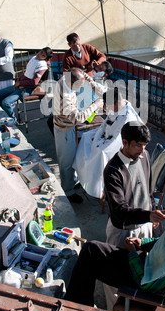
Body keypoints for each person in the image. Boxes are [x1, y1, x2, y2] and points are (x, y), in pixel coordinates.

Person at [64, 202, 165, 307]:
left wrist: (132, 254)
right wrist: (142, 242)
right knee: (91, 250)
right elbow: (161, 242)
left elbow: (145, 282)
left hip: (142, 283)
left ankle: (77, 305)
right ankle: (79, 302)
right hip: (144, 264)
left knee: (90, 258)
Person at [72, 89, 143, 200]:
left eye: (108, 106)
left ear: (115, 103)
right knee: (86, 137)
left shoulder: (128, 117)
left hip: (124, 145)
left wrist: (99, 143)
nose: (107, 109)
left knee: (101, 152)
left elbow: (119, 140)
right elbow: (105, 124)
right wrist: (97, 138)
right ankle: (82, 176)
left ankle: (96, 185)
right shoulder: (118, 105)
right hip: (109, 135)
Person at [53, 67, 103, 204]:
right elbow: (79, 118)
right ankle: (68, 192)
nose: (82, 87)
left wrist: (92, 84)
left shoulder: (66, 78)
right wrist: (95, 105)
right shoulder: (65, 99)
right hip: (64, 129)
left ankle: (73, 182)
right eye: (80, 85)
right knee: (66, 163)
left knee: (71, 157)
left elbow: (82, 73)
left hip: (65, 125)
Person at [104, 121, 156, 248]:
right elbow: (119, 211)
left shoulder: (145, 156)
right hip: (123, 231)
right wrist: (149, 215)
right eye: (138, 145)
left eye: (145, 145)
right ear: (124, 142)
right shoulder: (113, 170)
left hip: (145, 225)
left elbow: (148, 191)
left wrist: (153, 210)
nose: (142, 150)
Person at [0, 47, 52, 122]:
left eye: (43, 55)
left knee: (6, 102)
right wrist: (19, 80)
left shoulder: (41, 65)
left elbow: (34, 82)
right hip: (21, 84)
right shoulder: (34, 59)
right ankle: (6, 115)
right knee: (0, 93)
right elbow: (27, 74)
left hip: (27, 88)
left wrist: (20, 83)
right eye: (41, 52)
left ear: (45, 58)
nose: (40, 54)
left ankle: (13, 120)